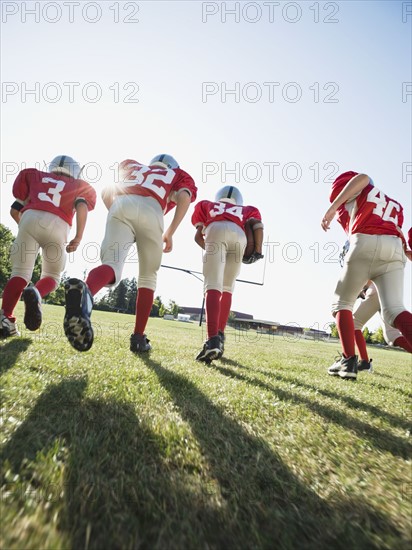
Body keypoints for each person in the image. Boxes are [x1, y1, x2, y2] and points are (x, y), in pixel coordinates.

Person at [63, 154, 197, 353]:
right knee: (148, 277)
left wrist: (118, 212)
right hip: (153, 208)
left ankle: (86, 293)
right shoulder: (176, 174)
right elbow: (184, 197)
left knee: (111, 264)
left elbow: (106, 193)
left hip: (121, 204)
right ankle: (138, 337)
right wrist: (170, 232)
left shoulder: (133, 166)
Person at [322, 171, 412, 380]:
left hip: (366, 240)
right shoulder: (392, 204)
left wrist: (332, 207)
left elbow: (362, 178)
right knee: (395, 311)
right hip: (395, 252)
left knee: (341, 304)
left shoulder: (360, 190)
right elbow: (395, 237)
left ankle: (348, 360)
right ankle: (355, 360)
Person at [0, 156, 96, 338]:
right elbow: (82, 206)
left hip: (29, 217)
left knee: (20, 273)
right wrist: (78, 236)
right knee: (52, 276)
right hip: (58, 224)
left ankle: (5, 318)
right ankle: (36, 292)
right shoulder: (77, 185)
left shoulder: (35, 177)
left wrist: (25, 227)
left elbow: (14, 211)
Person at [191, 185, 263, 362]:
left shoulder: (206, 205)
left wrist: (214, 252)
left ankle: (212, 339)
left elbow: (198, 237)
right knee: (228, 288)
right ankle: (220, 335)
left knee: (213, 285)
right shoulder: (247, 209)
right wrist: (258, 250)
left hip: (216, 230)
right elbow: (258, 225)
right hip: (240, 236)